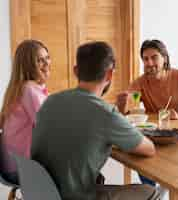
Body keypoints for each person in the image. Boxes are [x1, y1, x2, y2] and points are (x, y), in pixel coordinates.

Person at [31, 41, 160, 200]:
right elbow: (149, 149)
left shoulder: (50, 101)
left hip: (42, 193)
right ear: (110, 74)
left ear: (76, 71)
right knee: (148, 191)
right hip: (75, 197)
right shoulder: (105, 113)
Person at [116, 39, 178, 120]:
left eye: (154, 57)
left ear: (165, 59)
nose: (149, 63)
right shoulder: (140, 83)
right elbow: (128, 108)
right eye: (145, 59)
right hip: (153, 130)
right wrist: (122, 106)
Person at [0, 39, 50, 184]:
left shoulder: (18, 89)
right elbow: (49, 127)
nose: (47, 63)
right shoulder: (29, 89)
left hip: (9, 167)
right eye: (40, 60)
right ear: (28, 65)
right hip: (23, 170)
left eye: (47, 57)